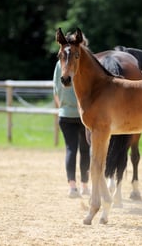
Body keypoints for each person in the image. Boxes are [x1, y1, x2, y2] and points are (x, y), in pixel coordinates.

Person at [53, 59, 90, 198]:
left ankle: (72, 187)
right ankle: (85, 186)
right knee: (85, 150)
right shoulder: (80, 63)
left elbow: (56, 89)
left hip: (65, 115)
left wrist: (63, 108)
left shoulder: (59, 64)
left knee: (70, 149)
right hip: (83, 114)